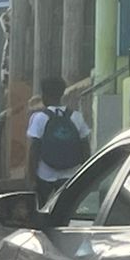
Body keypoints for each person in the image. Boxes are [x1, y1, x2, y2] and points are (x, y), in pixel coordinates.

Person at [27, 75, 91, 203]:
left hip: (45, 175)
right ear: (62, 93)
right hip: (71, 175)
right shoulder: (76, 117)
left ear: (44, 95)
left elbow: (34, 149)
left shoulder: (39, 118)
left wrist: (31, 179)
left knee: (42, 209)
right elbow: (85, 148)